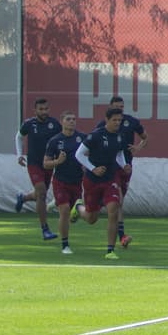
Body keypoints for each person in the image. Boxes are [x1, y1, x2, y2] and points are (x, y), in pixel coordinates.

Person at [72, 106, 129, 259]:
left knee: (113, 210)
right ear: (107, 120)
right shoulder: (95, 135)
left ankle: (110, 250)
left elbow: (119, 154)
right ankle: (78, 208)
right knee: (91, 218)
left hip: (111, 179)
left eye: (119, 120)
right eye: (114, 120)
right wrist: (93, 168)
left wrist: (124, 165)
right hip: (92, 181)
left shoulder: (120, 136)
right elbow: (79, 154)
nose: (117, 123)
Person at [95, 96, 146, 249]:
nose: (119, 109)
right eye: (116, 106)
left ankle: (85, 207)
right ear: (110, 107)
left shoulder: (131, 121)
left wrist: (138, 147)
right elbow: (92, 145)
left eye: (122, 106)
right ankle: (122, 236)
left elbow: (145, 137)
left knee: (116, 203)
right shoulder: (102, 126)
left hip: (126, 166)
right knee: (118, 200)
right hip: (111, 167)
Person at [15, 97, 61, 241]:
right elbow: (19, 137)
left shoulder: (55, 124)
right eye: (41, 109)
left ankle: (23, 197)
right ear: (35, 110)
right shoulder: (29, 124)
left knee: (40, 193)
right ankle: (45, 229)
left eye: (46, 109)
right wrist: (19, 155)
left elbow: (61, 140)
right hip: (34, 164)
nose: (44, 112)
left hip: (49, 164)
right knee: (41, 193)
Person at [43, 111, 87, 254]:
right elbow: (45, 163)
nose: (72, 121)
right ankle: (65, 245)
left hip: (77, 181)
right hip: (60, 181)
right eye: (68, 119)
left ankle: (55, 202)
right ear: (62, 121)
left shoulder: (82, 138)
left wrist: (87, 165)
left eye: (74, 119)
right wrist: (57, 161)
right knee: (65, 210)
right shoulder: (55, 141)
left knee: (74, 213)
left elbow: (90, 155)